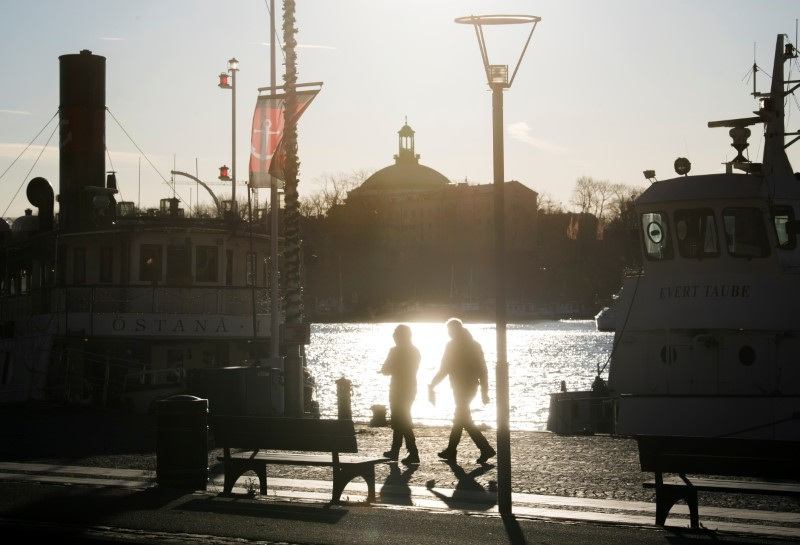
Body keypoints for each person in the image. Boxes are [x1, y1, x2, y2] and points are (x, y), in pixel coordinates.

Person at [428, 318, 496, 464]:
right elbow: (483, 370)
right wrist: (484, 391)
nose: (449, 333)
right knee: (462, 419)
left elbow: (444, 368)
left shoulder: (452, 345)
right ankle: (455, 450)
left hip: (463, 387)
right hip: (468, 386)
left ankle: (483, 448)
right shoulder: (474, 344)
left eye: (450, 330)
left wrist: (433, 384)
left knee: (461, 418)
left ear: (455, 330)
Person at [379, 324, 420, 465]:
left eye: (395, 335)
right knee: (401, 419)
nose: (394, 337)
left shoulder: (394, 351)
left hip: (397, 388)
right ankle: (395, 451)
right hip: (410, 387)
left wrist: (389, 369)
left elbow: (385, 369)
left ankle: (413, 452)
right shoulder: (415, 351)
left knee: (401, 420)